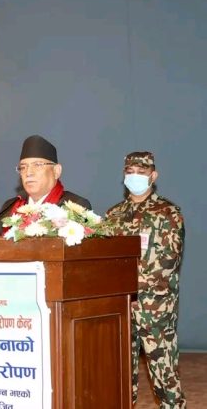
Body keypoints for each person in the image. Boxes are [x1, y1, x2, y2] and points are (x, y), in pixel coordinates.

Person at [106, 151, 186, 408]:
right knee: (119, 374)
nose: (135, 177)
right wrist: (119, 294)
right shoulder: (113, 214)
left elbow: (168, 262)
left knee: (164, 376)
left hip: (155, 308)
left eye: (141, 173)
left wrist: (133, 291)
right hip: (120, 307)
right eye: (130, 172)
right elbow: (106, 261)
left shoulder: (168, 213)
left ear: (153, 176)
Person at [0, 134, 92, 236]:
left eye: (37, 165)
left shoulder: (76, 207)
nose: (28, 173)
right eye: (23, 167)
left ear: (56, 171)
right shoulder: (10, 207)